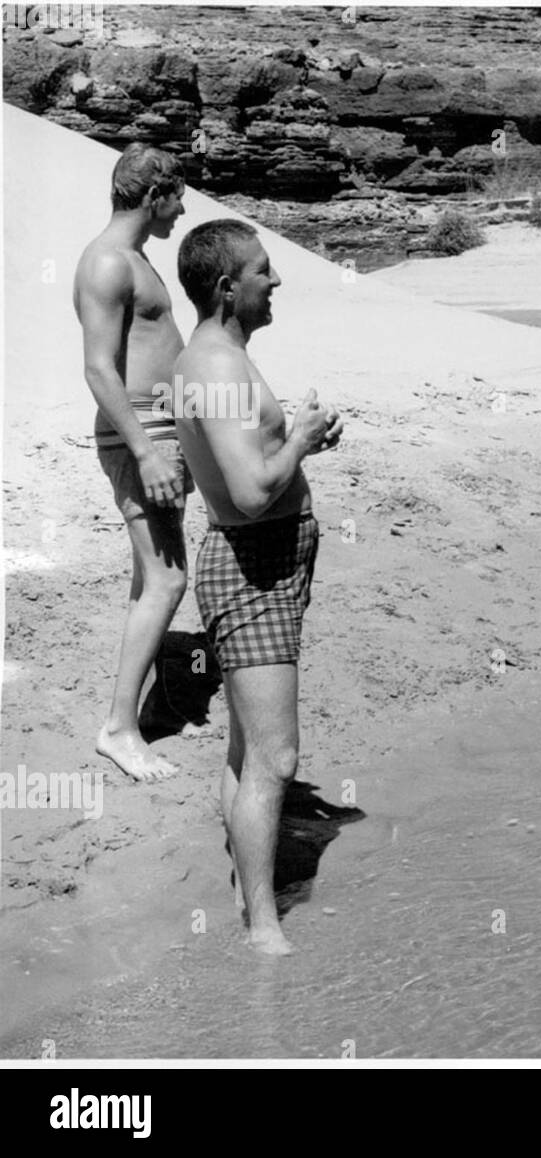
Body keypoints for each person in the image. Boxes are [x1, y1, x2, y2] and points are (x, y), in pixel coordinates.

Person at [174, 219, 342, 955]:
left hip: (265, 563)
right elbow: (246, 493)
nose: (276, 282)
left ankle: (250, 893)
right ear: (225, 287)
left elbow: (246, 457)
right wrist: (299, 439)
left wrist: (298, 440)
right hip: (252, 567)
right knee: (277, 760)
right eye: (263, 271)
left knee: (247, 752)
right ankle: (262, 928)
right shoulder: (214, 368)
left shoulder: (224, 357)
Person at [74, 142, 190, 783]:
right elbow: (97, 367)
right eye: (178, 197)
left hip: (159, 432)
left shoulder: (133, 258)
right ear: (154, 197)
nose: (182, 209)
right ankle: (120, 728)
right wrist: (147, 451)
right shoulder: (107, 263)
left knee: (151, 578)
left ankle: (143, 697)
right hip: (138, 437)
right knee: (170, 580)